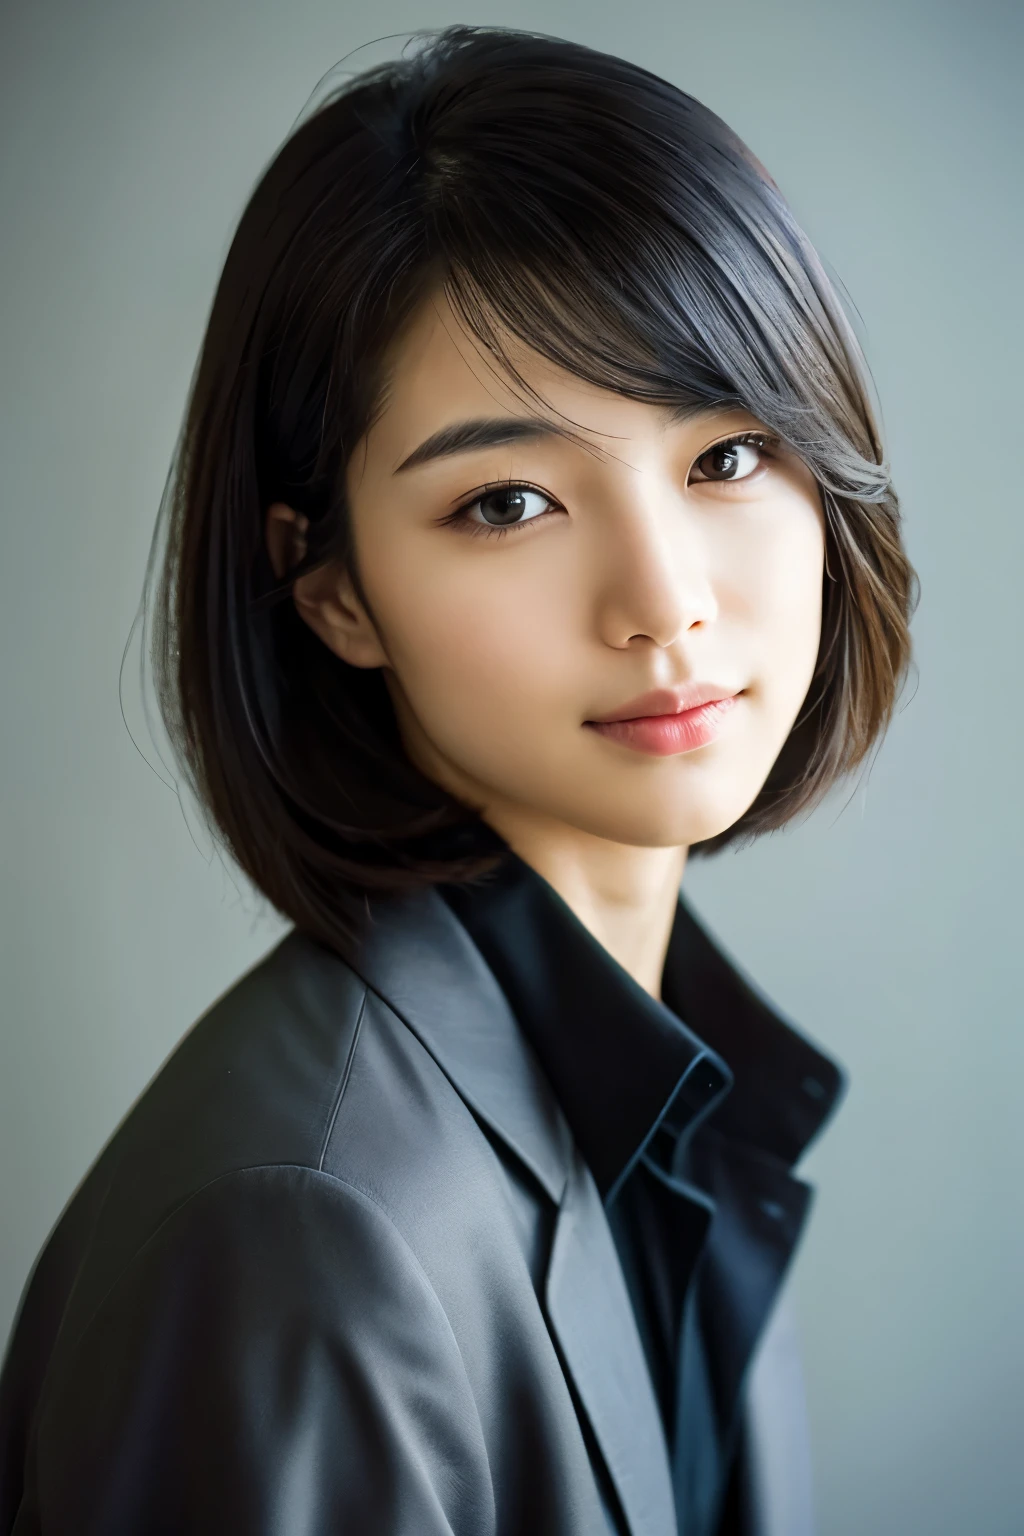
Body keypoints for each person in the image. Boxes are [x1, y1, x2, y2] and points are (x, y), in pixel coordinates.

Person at [0, 24, 916, 1536]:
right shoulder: (305, 1239)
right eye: (508, 501)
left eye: (731, 455)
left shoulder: (680, 1100)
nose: (663, 599)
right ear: (332, 589)